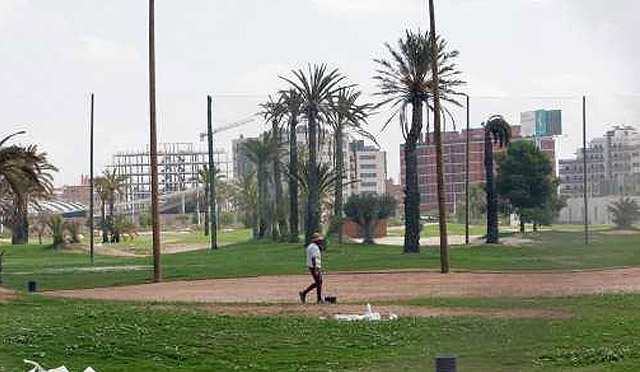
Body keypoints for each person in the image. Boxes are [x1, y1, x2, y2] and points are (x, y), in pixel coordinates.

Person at [299, 233, 324, 304]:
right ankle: (318, 299)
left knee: (318, 282)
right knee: (319, 282)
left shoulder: (313, 246)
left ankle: (304, 293)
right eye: (319, 240)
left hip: (314, 266)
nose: (320, 241)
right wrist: (316, 269)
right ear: (316, 240)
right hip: (314, 267)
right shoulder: (314, 247)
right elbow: (313, 258)